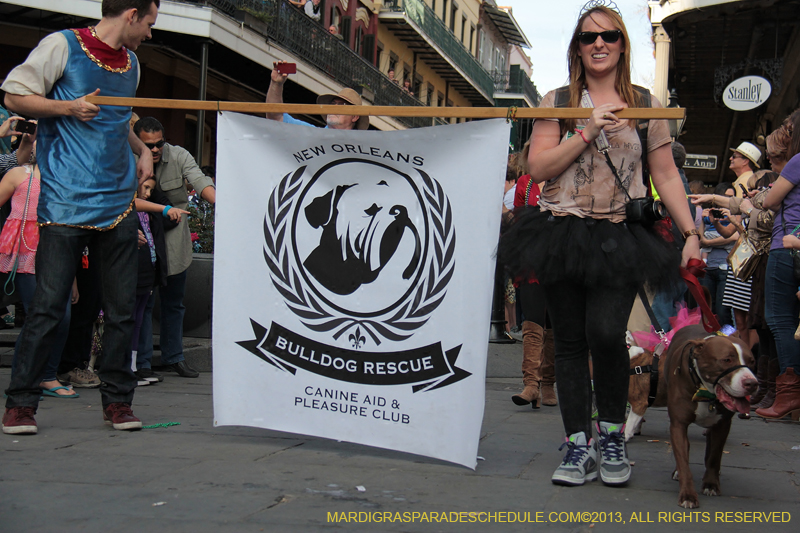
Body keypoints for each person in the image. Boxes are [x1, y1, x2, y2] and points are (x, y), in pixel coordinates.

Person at [498, 2, 699, 487]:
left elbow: (666, 174)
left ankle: (610, 434)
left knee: (607, 333)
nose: (599, 44)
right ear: (578, 47)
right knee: (567, 342)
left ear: (623, 44)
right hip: (561, 231)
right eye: (589, 38)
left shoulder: (647, 102)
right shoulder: (558, 98)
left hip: (620, 236)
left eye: (609, 35)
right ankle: (576, 445)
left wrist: (691, 232)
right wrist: (587, 129)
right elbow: (539, 169)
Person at [1, 0, 160, 435]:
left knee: (123, 310)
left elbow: (116, 119)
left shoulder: (133, 64)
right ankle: (21, 405)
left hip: (118, 201)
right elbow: (14, 95)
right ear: (131, 14)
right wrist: (68, 108)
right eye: (148, 22)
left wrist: (141, 148)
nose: (149, 32)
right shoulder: (61, 45)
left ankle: (118, 402)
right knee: (48, 308)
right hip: (65, 200)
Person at [133, 116, 214, 380]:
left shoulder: (178, 155)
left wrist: (223, 203)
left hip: (172, 238)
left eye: (159, 144)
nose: (155, 150)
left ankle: (173, 357)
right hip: (141, 235)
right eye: (149, 145)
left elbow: (200, 182)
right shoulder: (126, 157)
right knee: (143, 302)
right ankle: (142, 362)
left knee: (174, 302)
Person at [0, 156, 78, 398]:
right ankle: (24, 378)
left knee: (63, 318)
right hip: (25, 252)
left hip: (59, 252)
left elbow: (71, 225)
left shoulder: (69, 178)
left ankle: (47, 376)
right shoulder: (18, 174)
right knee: (38, 316)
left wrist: (74, 278)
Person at [759, 108, 800, 419]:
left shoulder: (798, 161)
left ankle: (788, 393)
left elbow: (772, 202)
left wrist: (759, 200)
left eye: (789, 125)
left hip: (785, 247)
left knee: (780, 320)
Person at [266, 62, 369, 130]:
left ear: (355, 117)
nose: (334, 107)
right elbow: (276, 118)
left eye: (342, 104)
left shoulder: (363, 148)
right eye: (332, 104)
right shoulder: (312, 134)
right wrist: (276, 83)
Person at [699, 183, 737, 326]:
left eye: (732, 197)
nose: (729, 200)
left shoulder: (735, 214)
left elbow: (733, 237)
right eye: (727, 197)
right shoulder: (710, 215)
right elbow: (700, 239)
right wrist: (704, 219)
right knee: (707, 310)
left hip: (726, 269)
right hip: (708, 268)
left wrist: (709, 242)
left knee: (723, 311)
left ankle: (725, 341)